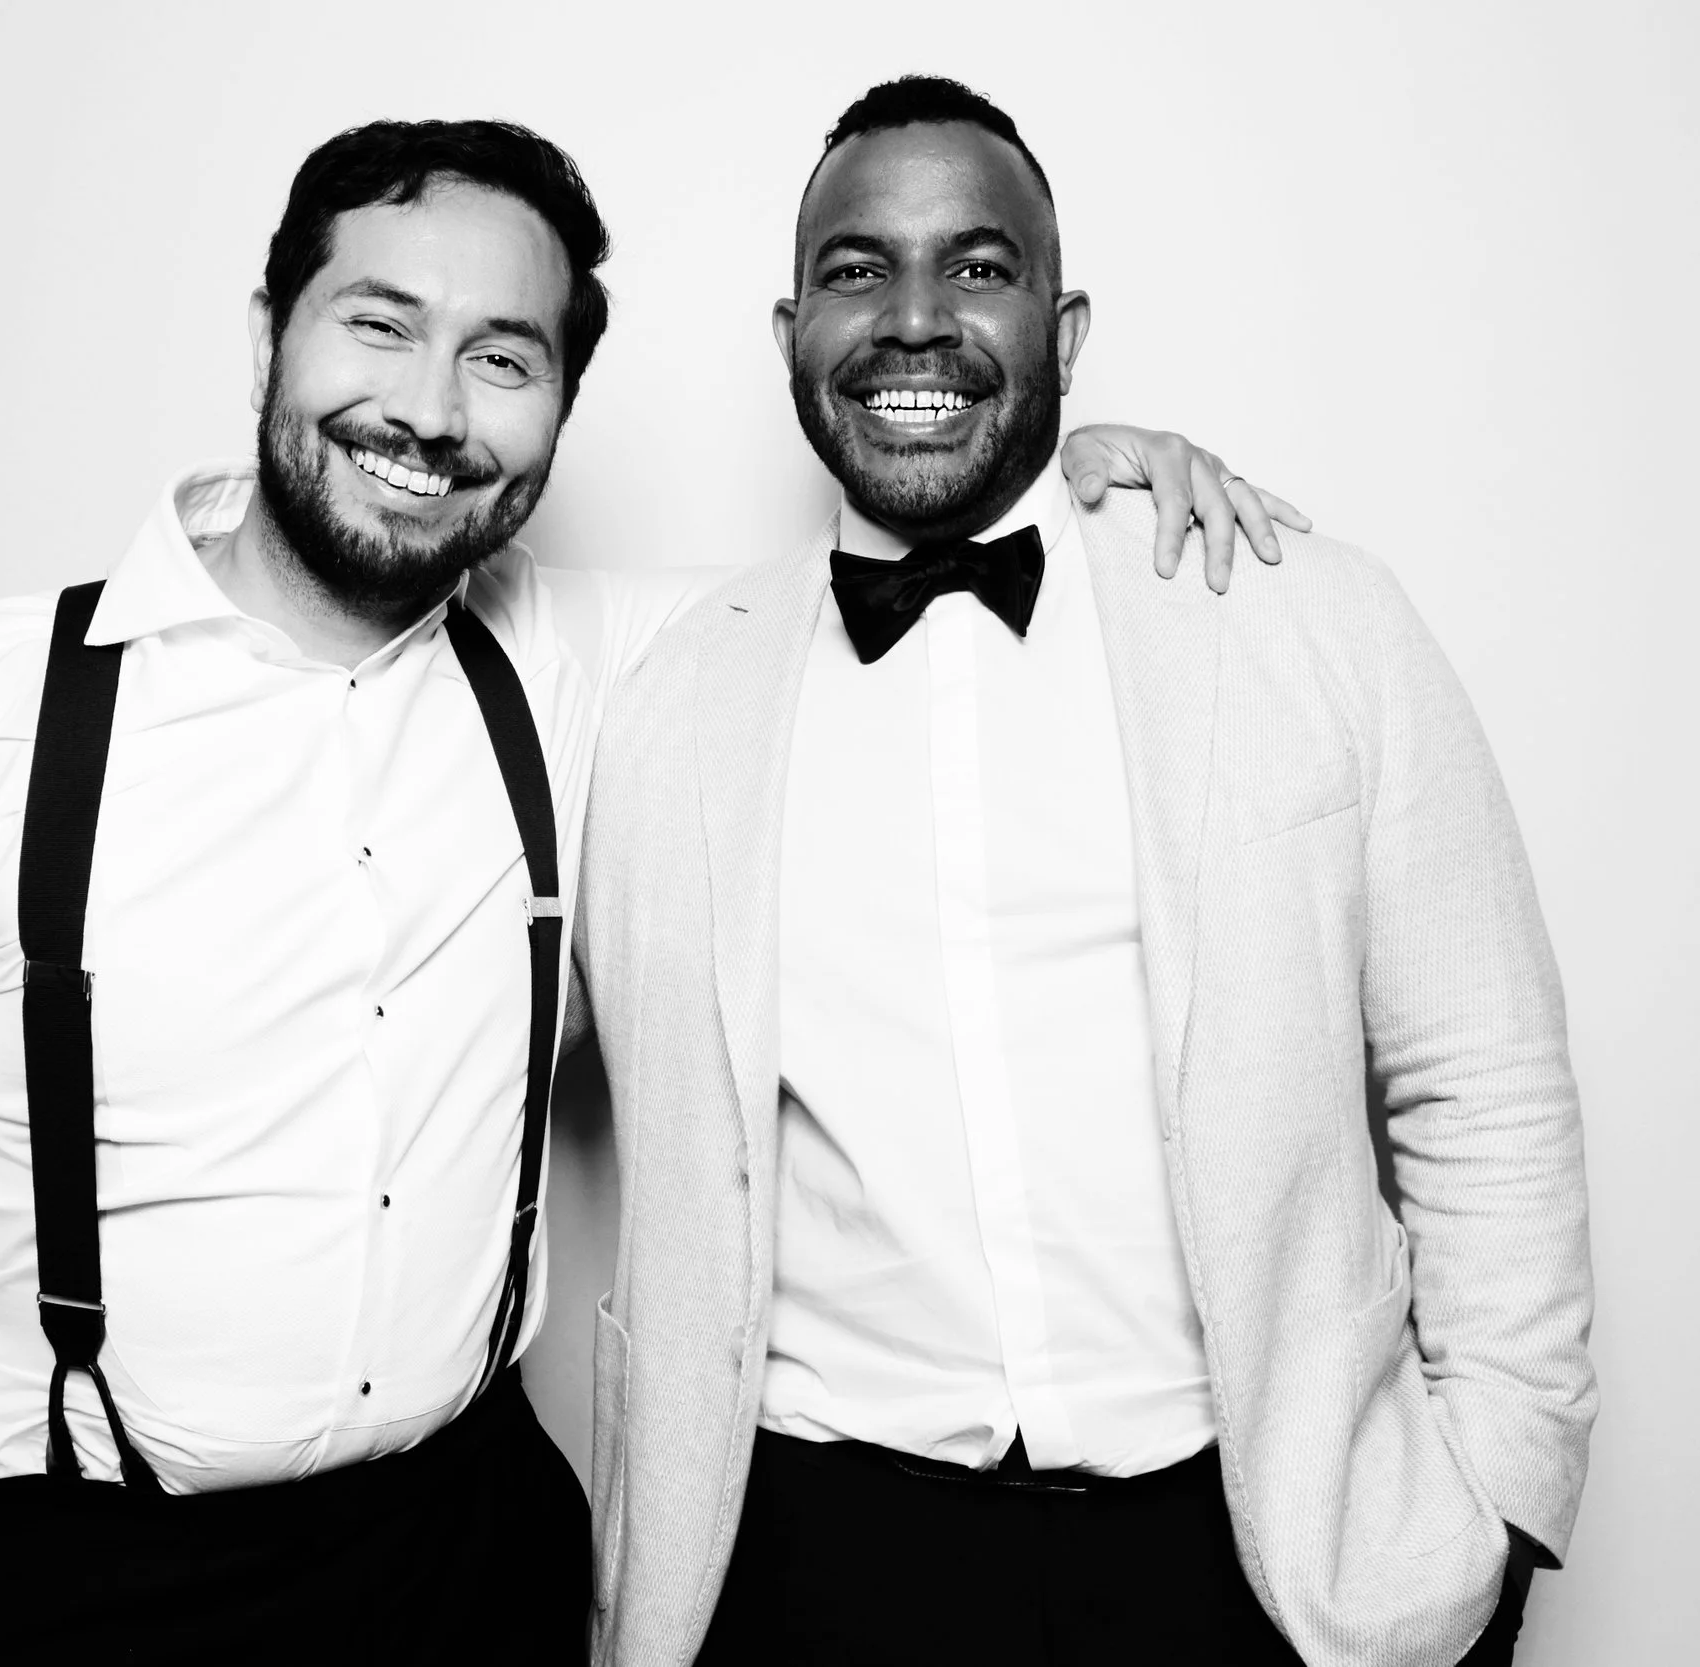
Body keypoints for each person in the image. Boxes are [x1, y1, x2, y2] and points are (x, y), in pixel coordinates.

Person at [0, 114, 1293, 1667]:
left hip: (469, 1560)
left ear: (557, 408)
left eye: (505, 358)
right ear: (270, 335)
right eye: (380, 325)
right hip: (72, 1576)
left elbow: (909, 556)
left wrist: (1072, 468)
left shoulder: (604, 666)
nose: (429, 409)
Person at [576, 76, 1596, 1667]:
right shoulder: (667, 690)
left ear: (1067, 323)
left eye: (977, 270)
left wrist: (1500, 1499)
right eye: (858, 271)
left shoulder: (1309, 619)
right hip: (814, 1552)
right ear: (790, 327)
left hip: (1257, 1546)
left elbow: (1487, 1082)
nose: (914, 321)